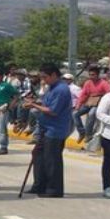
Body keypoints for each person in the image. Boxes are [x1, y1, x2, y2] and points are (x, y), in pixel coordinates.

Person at [24, 64, 73, 198]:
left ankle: (54, 189)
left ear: (54, 75)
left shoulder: (61, 90)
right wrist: (35, 102)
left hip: (55, 130)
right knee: (38, 156)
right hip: (45, 128)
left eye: (45, 77)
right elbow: (46, 105)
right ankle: (39, 184)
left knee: (52, 160)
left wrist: (34, 105)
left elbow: (52, 111)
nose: (43, 80)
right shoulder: (51, 88)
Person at [74, 67, 110, 142]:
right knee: (75, 114)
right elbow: (83, 94)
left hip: (100, 103)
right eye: (90, 75)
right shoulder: (88, 83)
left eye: (93, 75)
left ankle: (88, 134)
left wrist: (103, 100)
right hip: (90, 101)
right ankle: (82, 132)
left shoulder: (104, 83)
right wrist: (78, 104)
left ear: (98, 75)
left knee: (91, 114)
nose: (91, 77)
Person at [0, 69, 17, 155]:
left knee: (2, 129)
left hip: (3, 109)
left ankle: (3, 147)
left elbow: (16, 95)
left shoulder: (6, 85)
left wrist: (11, 105)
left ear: (1, 76)